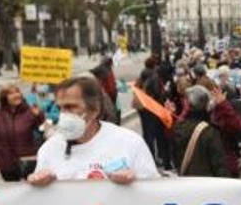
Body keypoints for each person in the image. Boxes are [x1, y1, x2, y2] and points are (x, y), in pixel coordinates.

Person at [29, 76, 159, 186]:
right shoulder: (49, 149)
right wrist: (40, 185)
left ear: (94, 110)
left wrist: (134, 184)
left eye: (70, 107)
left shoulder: (130, 143)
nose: (63, 114)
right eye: (60, 108)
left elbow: (154, 195)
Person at [0, 83, 45, 182]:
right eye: (11, 93)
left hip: (27, 159)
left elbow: (42, 129)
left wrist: (39, 115)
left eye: (17, 92)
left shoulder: (30, 111)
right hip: (6, 161)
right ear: (5, 98)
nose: (16, 95)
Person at [171, 86, 232, 177]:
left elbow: (174, 157)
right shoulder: (210, 131)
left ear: (188, 104)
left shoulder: (178, 127)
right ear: (207, 104)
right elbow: (220, 166)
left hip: (185, 182)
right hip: (207, 185)